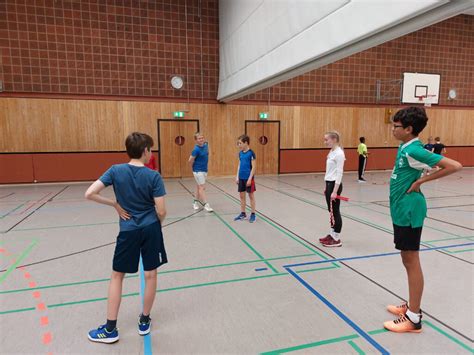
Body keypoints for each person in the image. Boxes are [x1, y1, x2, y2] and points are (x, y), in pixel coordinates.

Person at [384, 107, 462, 333]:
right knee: (406, 258)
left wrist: (420, 183)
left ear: (408, 129)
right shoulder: (406, 147)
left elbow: (454, 166)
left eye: (396, 126)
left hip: (409, 210)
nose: (392, 129)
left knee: (411, 260)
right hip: (401, 208)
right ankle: (411, 305)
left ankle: (414, 318)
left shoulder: (415, 149)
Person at [85, 132, 168, 343]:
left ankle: (110, 329)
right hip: (150, 229)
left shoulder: (115, 170)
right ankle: (144, 320)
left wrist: (114, 204)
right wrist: (157, 222)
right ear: (145, 151)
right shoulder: (153, 176)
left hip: (128, 230)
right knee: (150, 276)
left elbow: (90, 193)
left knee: (117, 276)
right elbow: (161, 210)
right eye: (150, 149)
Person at [319, 131, 345, 247]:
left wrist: (335, 191)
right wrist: (327, 187)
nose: (325, 142)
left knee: (335, 211)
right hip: (329, 183)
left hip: (335, 184)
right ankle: (332, 233)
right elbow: (329, 171)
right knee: (331, 212)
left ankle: (336, 238)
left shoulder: (339, 153)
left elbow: (339, 173)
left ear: (334, 139)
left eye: (326, 140)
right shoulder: (332, 152)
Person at [234, 134, 257, 223]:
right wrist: (237, 176)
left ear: (246, 143)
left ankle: (253, 214)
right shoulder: (240, 153)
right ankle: (243, 214)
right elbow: (239, 165)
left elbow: (254, 167)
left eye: (240, 143)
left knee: (251, 196)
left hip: (248, 178)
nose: (239, 145)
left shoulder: (251, 153)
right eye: (238, 143)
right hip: (241, 178)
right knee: (241, 196)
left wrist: (250, 179)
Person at [188, 132, 213, 212]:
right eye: (199, 138)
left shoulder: (206, 146)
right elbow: (190, 160)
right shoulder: (195, 150)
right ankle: (206, 204)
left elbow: (207, 154)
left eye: (202, 138)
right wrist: (194, 169)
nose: (201, 139)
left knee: (199, 187)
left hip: (204, 170)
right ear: (196, 140)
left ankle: (195, 202)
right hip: (198, 171)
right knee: (202, 187)